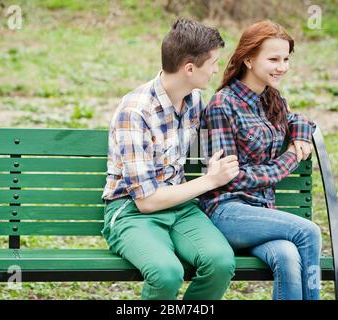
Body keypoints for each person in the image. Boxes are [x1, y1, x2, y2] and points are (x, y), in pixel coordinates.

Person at [101, 18, 238, 300]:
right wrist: (209, 180)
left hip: (181, 208)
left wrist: (298, 130)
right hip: (132, 212)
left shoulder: (194, 99)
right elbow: (146, 201)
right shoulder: (135, 111)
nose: (216, 70)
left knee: (221, 263)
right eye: (212, 63)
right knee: (167, 273)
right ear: (190, 68)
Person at [199, 20, 321, 300]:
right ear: (249, 59)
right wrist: (290, 157)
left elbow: (297, 119)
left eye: (286, 58)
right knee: (309, 232)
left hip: (262, 212)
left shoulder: (272, 99)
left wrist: (301, 134)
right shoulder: (223, 104)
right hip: (227, 212)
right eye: (274, 59)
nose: (282, 67)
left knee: (289, 257)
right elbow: (231, 177)